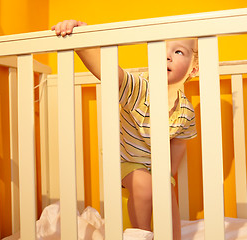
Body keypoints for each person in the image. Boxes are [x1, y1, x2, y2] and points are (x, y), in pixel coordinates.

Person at [52, 20, 198, 240]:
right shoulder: (140, 89)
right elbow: (111, 73)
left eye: (178, 51)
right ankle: (142, 234)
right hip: (126, 160)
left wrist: (168, 174)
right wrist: (83, 41)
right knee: (145, 186)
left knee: (167, 196)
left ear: (194, 69)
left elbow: (178, 144)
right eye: (161, 48)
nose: (166, 56)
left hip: (156, 165)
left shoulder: (185, 110)